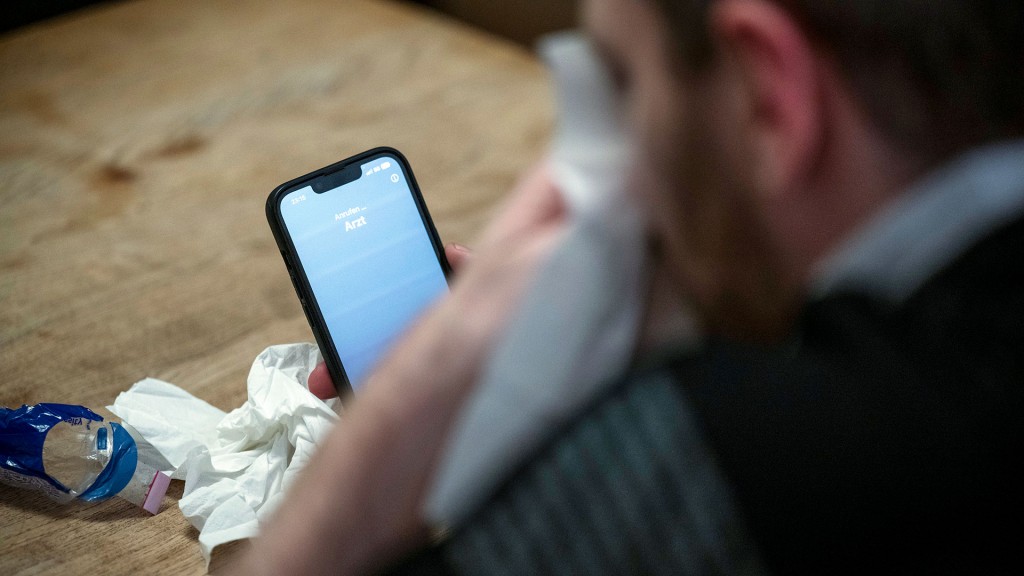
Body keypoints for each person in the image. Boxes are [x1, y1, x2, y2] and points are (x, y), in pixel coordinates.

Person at [228, 0, 1024, 574]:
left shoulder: (735, 455)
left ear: (770, 96)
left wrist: (428, 376)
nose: (594, 163)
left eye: (619, 85)